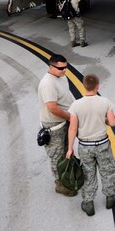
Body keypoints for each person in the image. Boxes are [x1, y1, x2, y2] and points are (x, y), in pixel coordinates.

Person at [67, 74, 115, 216]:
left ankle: (88, 203)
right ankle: (110, 197)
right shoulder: (105, 102)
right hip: (102, 143)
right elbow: (113, 123)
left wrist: (70, 148)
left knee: (88, 173)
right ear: (98, 86)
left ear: (84, 85)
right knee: (107, 170)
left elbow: (72, 128)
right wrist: (104, 120)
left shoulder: (75, 105)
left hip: (85, 145)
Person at [37, 54, 76, 196]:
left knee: (67, 150)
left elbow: (65, 96)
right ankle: (60, 184)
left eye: (66, 67)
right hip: (54, 125)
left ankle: (68, 174)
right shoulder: (48, 83)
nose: (64, 70)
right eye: (60, 68)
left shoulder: (61, 76)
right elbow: (52, 107)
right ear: (51, 66)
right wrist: (71, 116)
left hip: (64, 121)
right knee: (57, 155)